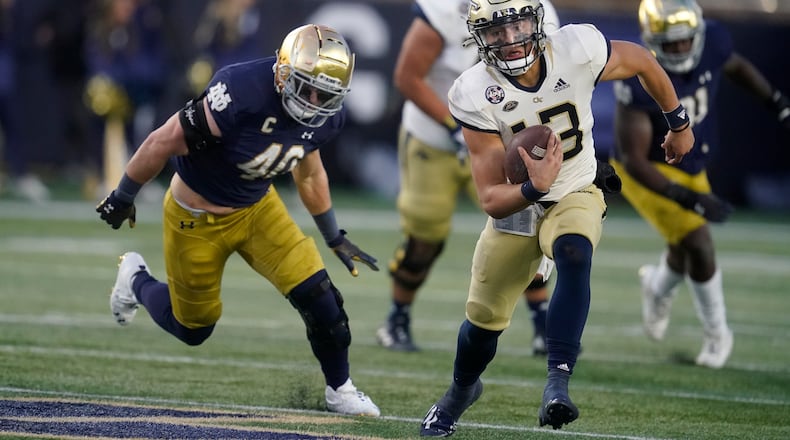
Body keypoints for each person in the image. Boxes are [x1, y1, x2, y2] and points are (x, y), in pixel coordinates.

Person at [418, 0, 694, 435]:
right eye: (494, 32)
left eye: (517, 26)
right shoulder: (473, 90)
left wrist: (678, 123)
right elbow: (491, 196)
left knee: (573, 250)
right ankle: (460, 391)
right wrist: (532, 187)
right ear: (478, 37)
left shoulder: (575, 47)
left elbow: (642, 59)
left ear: (536, 20)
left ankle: (557, 383)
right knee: (482, 324)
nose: (509, 41)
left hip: (577, 188)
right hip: (518, 206)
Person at [95, 24, 382, 417]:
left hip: (258, 207)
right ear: (283, 72)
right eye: (307, 88)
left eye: (326, 94)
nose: (314, 101)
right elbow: (163, 140)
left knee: (322, 300)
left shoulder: (328, 117)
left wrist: (333, 235)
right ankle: (136, 278)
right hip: (196, 216)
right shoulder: (240, 92)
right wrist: (123, 195)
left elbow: (309, 169)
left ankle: (340, 389)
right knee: (193, 328)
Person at [611, 0, 790, 369]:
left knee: (684, 246)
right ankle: (718, 334)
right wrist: (687, 197)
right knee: (699, 241)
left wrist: (776, 100)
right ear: (651, 40)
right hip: (648, 170)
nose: (679, 49)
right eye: (670, 43)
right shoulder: (636, 76)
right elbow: (634, 159)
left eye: (684, 40)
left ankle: (657, 286)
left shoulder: (713, 40)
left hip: (691, 157)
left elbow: (735, 65)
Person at [375, 0, 560, 356]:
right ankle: (397, 318)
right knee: (425, 238)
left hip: (504, 141)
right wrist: (456, 126)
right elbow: (407, 77)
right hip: (436, 139)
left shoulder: (538, 11)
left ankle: (542, 325)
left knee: (523, 229)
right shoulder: (443, 10)